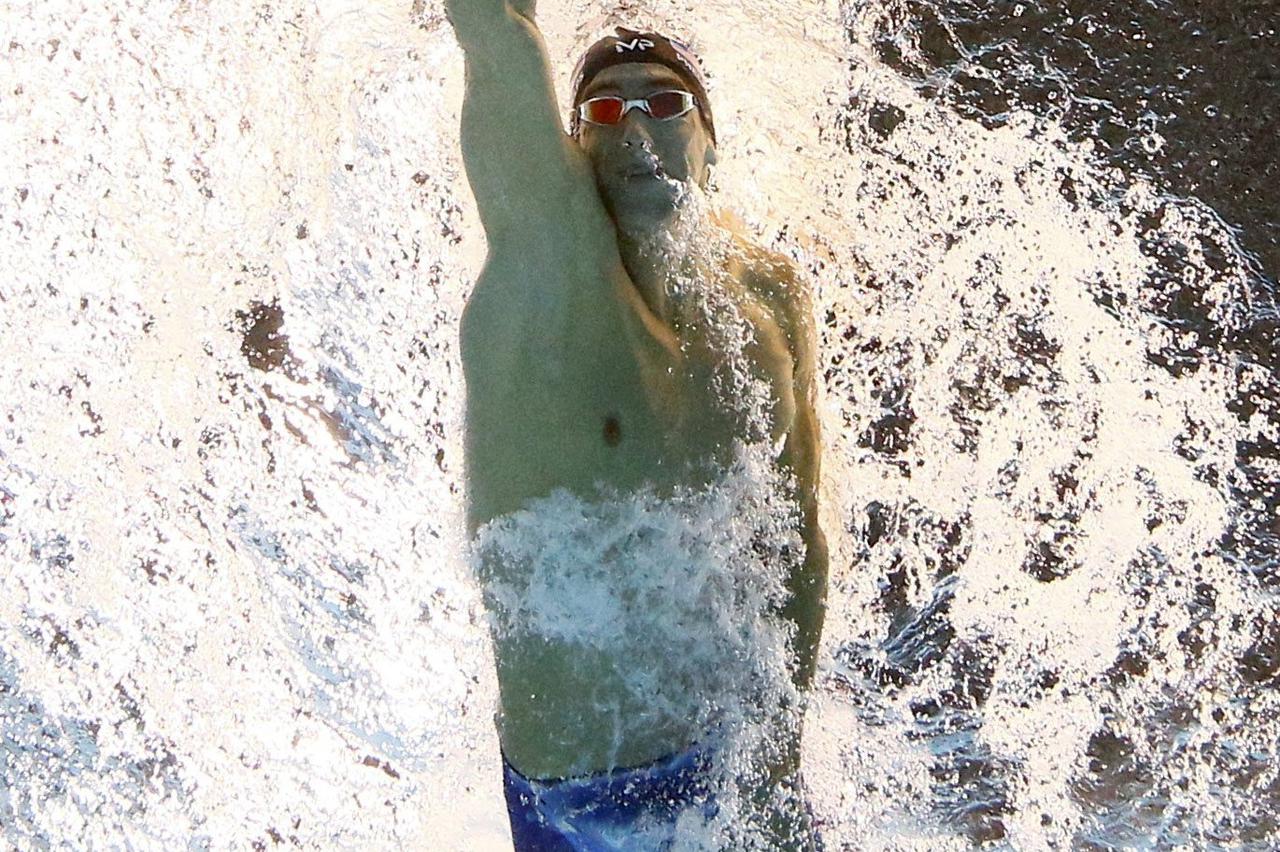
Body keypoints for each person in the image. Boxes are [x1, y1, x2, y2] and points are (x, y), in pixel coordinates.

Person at [445, 1, 827, 847]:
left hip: (745, 765)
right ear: (572, 146)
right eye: (605, 110)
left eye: (664, 102)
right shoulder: (546, 271)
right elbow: (496, 36)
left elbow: (795, 529)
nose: (634, 129)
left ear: (711, 139)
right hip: (597, 804)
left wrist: (780, 748)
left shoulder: (765, 298)